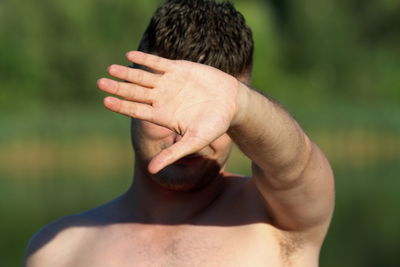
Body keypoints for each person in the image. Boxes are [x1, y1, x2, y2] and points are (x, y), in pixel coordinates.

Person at [24, 0, 335, 266]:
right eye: (169, 109)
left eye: (212, 115)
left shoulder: (279, 220)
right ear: (134, 92)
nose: (188, 136)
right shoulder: (58, 250)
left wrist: (239, 103)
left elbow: (297, 165)